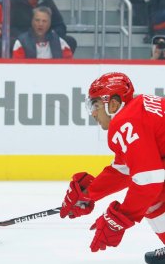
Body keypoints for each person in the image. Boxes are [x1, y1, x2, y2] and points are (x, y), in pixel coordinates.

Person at [59, 72, 165, 264]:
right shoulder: (137, 109)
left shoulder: (125, 121)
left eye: (95, 105)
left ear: (113, 104)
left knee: (152, 197)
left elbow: (149, 179)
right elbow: (125, 169)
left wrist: (119, 219)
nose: (92, 113)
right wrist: (89, 193)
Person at [11, 0, 77, 53]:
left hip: (47, 40)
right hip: (22, 39)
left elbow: (60, 26)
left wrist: (48, 36)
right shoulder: (10, 2)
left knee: (70, 41)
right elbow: (8, 28)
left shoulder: (46, 1)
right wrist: (27, 37)